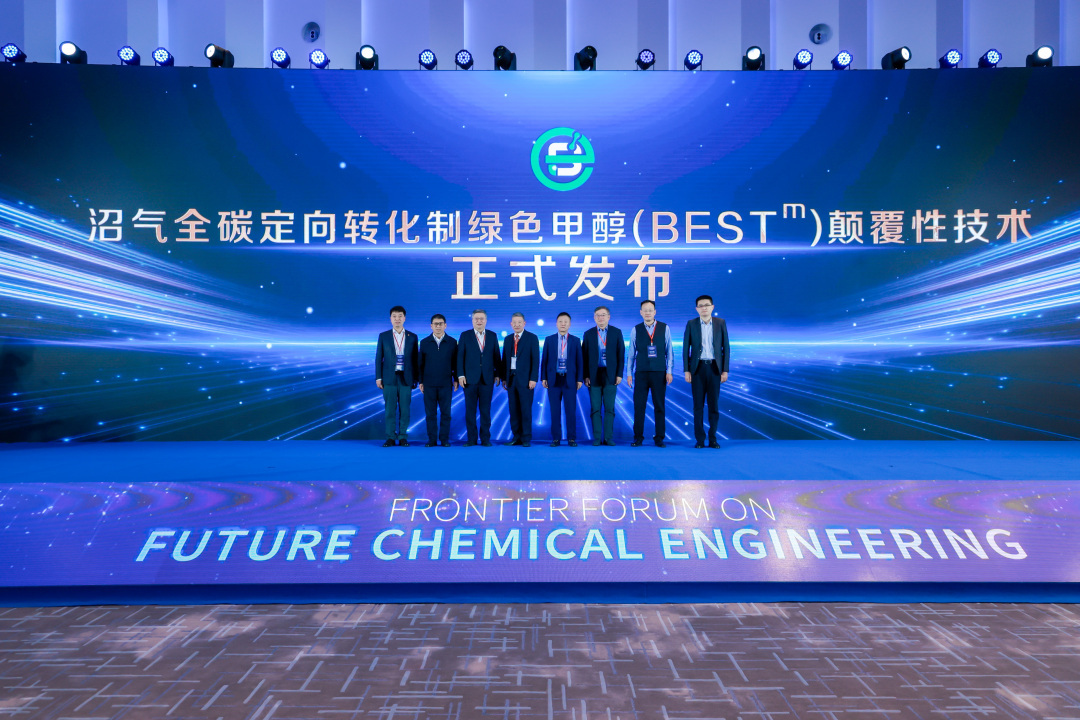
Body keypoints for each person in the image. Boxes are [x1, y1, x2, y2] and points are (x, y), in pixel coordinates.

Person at [683, 295, 730, 448]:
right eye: (701, 305)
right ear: (697, 309)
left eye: (707, 305)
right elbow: (686, 349)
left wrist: (725, 370)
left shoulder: (720, 323)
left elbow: (726, 348)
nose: (704, 308)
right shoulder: (691, 324)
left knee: (713, 406)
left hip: (715, 368)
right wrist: (686, 370)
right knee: (698, 406)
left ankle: (713, 438)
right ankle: (700, 440)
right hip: (697, 369)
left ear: (712, 307)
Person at [626, 299, 673, 447]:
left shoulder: (664, 328)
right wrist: (629, 373)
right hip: (641, 373)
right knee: (639, 406)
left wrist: (669, 371)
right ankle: (638, 437)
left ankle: (659, 438)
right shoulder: (636, 329)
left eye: (650, 310)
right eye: (645, 310)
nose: (648, 313)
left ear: (655, 312)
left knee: (659, 405)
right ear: (641, 312)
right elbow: (631, 354)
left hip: (659, 372)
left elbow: (669, 351)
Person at [375, 305, 418, 446]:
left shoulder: (412, 337)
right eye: (394, 316)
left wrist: (416, 378)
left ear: (404, 318)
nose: (397, 319)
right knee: (389, 409)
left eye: (400, 316)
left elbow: (415, 359)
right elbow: (378, 358)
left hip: (406, 378)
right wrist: (378, 377)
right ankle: (390, 437)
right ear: (390, 319)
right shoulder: (384, 336)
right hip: (389, 377)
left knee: (405, 409)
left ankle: (403, 436)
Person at [457, 309, 501, 446]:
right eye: (476, 319)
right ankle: (471, 439)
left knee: (485, 410)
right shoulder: (465, 335)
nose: (479, 321)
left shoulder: (492, 335)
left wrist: (497, 374)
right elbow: (460, 357)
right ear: (472, 321)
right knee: (470, 410)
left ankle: (485, 439)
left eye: (482, 319)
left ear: (486, 320)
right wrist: (460, 375)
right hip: (469, 379)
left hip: (487, 379)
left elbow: (496, 356)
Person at [582, 305, 624, 446]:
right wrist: (586, 375)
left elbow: (621, 355)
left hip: (610, 374)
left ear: (608, 317)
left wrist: (619, 374)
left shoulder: (616, 332)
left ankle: (608, 438)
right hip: (593, 375)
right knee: (595, 408)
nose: (601, 318)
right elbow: (584, 357)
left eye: (603, 315)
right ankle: (596, 437)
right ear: (594, 318)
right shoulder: (588, 334)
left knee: (609, 408)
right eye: (598, 315)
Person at [540, 312, 583, 446]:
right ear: (556, 323)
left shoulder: (576, 340)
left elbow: (580, 361)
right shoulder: (549, 339)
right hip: (553, 380)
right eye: (560, 321)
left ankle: (571, 438)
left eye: (565, 322)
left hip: (570, 380)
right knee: (555, 411)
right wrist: (543, 377)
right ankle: (556, 438)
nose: (563, 324)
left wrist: (579, 379)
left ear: (569, 324)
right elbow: (544, 360)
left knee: (571, 411)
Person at [418, 314, 458, 447]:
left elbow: (456, 363)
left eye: (441, 324)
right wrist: (421, 381)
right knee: (430, 414)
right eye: (435, 324)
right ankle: (432, 440)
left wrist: (456, 379)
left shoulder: (452, 342)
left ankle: (444, 439)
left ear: (445, 325)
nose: (438, 326)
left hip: (446, 384)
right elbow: (420, 364)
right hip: (429, 384)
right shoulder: (424, 342)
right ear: (431, 326)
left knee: (446, 413)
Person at [502, 312, 540, 447]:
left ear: (524, 323)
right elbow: (504, 360)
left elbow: (536, 360)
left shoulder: (532, 338)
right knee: (513, 410)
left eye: (519, 322)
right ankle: (516, 436)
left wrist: (533, 378)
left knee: (525, 410)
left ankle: (526, 438)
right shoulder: (508, 339)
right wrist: (504, 378)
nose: (517, 325)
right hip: (511, 380)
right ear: (511, 324)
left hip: (526, 381)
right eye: (514, 322)